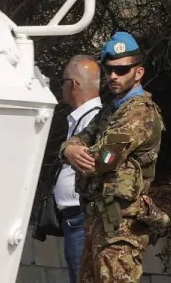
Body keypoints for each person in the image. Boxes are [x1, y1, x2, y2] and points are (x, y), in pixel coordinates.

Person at [62, 32, 168, 283]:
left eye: (121, 70)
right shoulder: (112, 110)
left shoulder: (139, 112)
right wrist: (68, 149)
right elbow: (80, 138)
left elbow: (101, 160)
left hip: (121, 228)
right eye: (109, 69)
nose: (113, 76)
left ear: (138, 72)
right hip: (98, 222)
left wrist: (75, 152)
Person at [56, 55, 103, 283]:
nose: (61, 88)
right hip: (74, 218)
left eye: (63, 82)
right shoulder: (82, 118)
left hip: (81, 217)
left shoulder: (94, 119)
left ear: (73, 84)